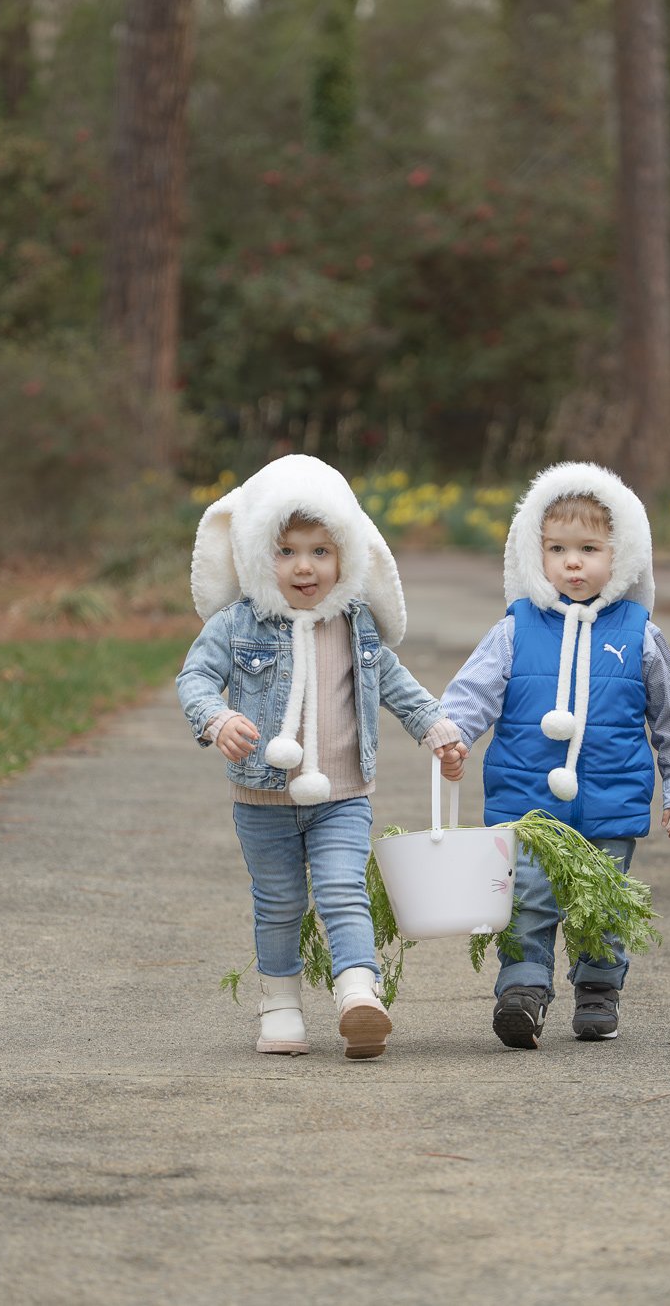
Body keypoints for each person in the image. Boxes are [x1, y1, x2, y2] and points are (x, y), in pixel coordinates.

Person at [177, 454, 464, 1061]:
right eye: (285, 552)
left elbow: (394, 683)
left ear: (348, 557)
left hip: (343, 796)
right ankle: (279, 1005)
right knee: (279, 900)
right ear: (259, 557)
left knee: (342, 891)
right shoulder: (236, 625)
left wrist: (436, 727)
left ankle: (360, 994)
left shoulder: (356, 624)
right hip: (263, 798)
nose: (304, 567)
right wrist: (217, 717)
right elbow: (196, 678)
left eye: (320, 551)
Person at [441, 460, 670, 1048]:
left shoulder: (639, 634)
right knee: (527, 898)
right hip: (526, 803)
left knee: (601, 905)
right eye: (557, 548)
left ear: (623, 555)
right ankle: (522, 993)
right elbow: (472, 693)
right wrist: (452, 735)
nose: (573, 562)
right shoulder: (515, 629)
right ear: (535, 555)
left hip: (609, 801)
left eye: (589, 548)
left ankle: (598, 990)